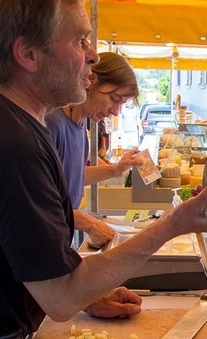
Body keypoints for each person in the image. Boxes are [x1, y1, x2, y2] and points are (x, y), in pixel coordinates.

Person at [0, 1, 207, 339]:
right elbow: (61, 297)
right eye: (81, 39)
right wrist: (172, 225)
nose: (93, 55)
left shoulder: (1, 117)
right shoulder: (13, 144)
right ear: (28, 53)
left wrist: (87, 289)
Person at [46, 52, 142, 249]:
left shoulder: (81, 126)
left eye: (122, 104)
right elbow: (41, 202)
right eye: (114, 99)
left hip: (61, 237)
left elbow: (71, 175)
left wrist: (116, 170)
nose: (116, 111)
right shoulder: (52, 124)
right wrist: (90, 224)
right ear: (91, 81)